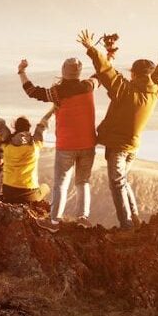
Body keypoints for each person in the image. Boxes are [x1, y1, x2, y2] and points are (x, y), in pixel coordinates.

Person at [78, 25, 158, 231]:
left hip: (118, 147)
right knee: (122, 182)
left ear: (133, 74)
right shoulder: (156, 89)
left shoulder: (125, 90)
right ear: (149, 75)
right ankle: (134, 218)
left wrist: (91, 48)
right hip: (133, 147)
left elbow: (106, 71)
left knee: (117, 184)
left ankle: (126, 226)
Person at [19, 57, 99, 232]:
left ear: (64, 72)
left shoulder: (57, 92)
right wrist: (107, 55)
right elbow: (100, 74)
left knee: (61, 183)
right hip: (88, 143)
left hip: (67, 144)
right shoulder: (88, 86)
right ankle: (83, 218)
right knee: (83, 181)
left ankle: (54, 222)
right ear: (78, 72)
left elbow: (32, 91)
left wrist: (22, 72)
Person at [0, 90, 50, 204]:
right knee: (45, 187)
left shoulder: (6, 142)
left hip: (8, 191)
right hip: (29, 193)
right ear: (28, 128)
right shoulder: (35, 144)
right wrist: (54, 110)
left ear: (15, 127)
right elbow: (43, 124)